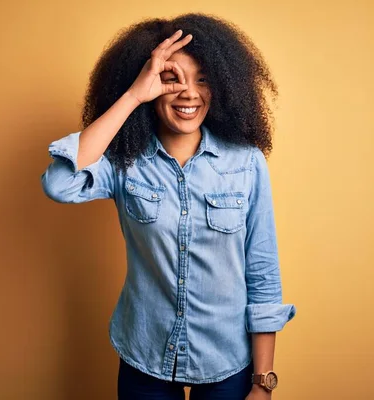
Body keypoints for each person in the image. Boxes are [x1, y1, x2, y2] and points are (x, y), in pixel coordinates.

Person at [41, 12, 296, 400]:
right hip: (145, 354)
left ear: (224, 87)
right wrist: (132, 96)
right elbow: (61, 184)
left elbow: (262, 272)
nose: (189, 93)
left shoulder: (245, 162)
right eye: (171, 78)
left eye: (203, 80)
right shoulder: (123, 161)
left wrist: (263, 383)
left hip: (227, 360)